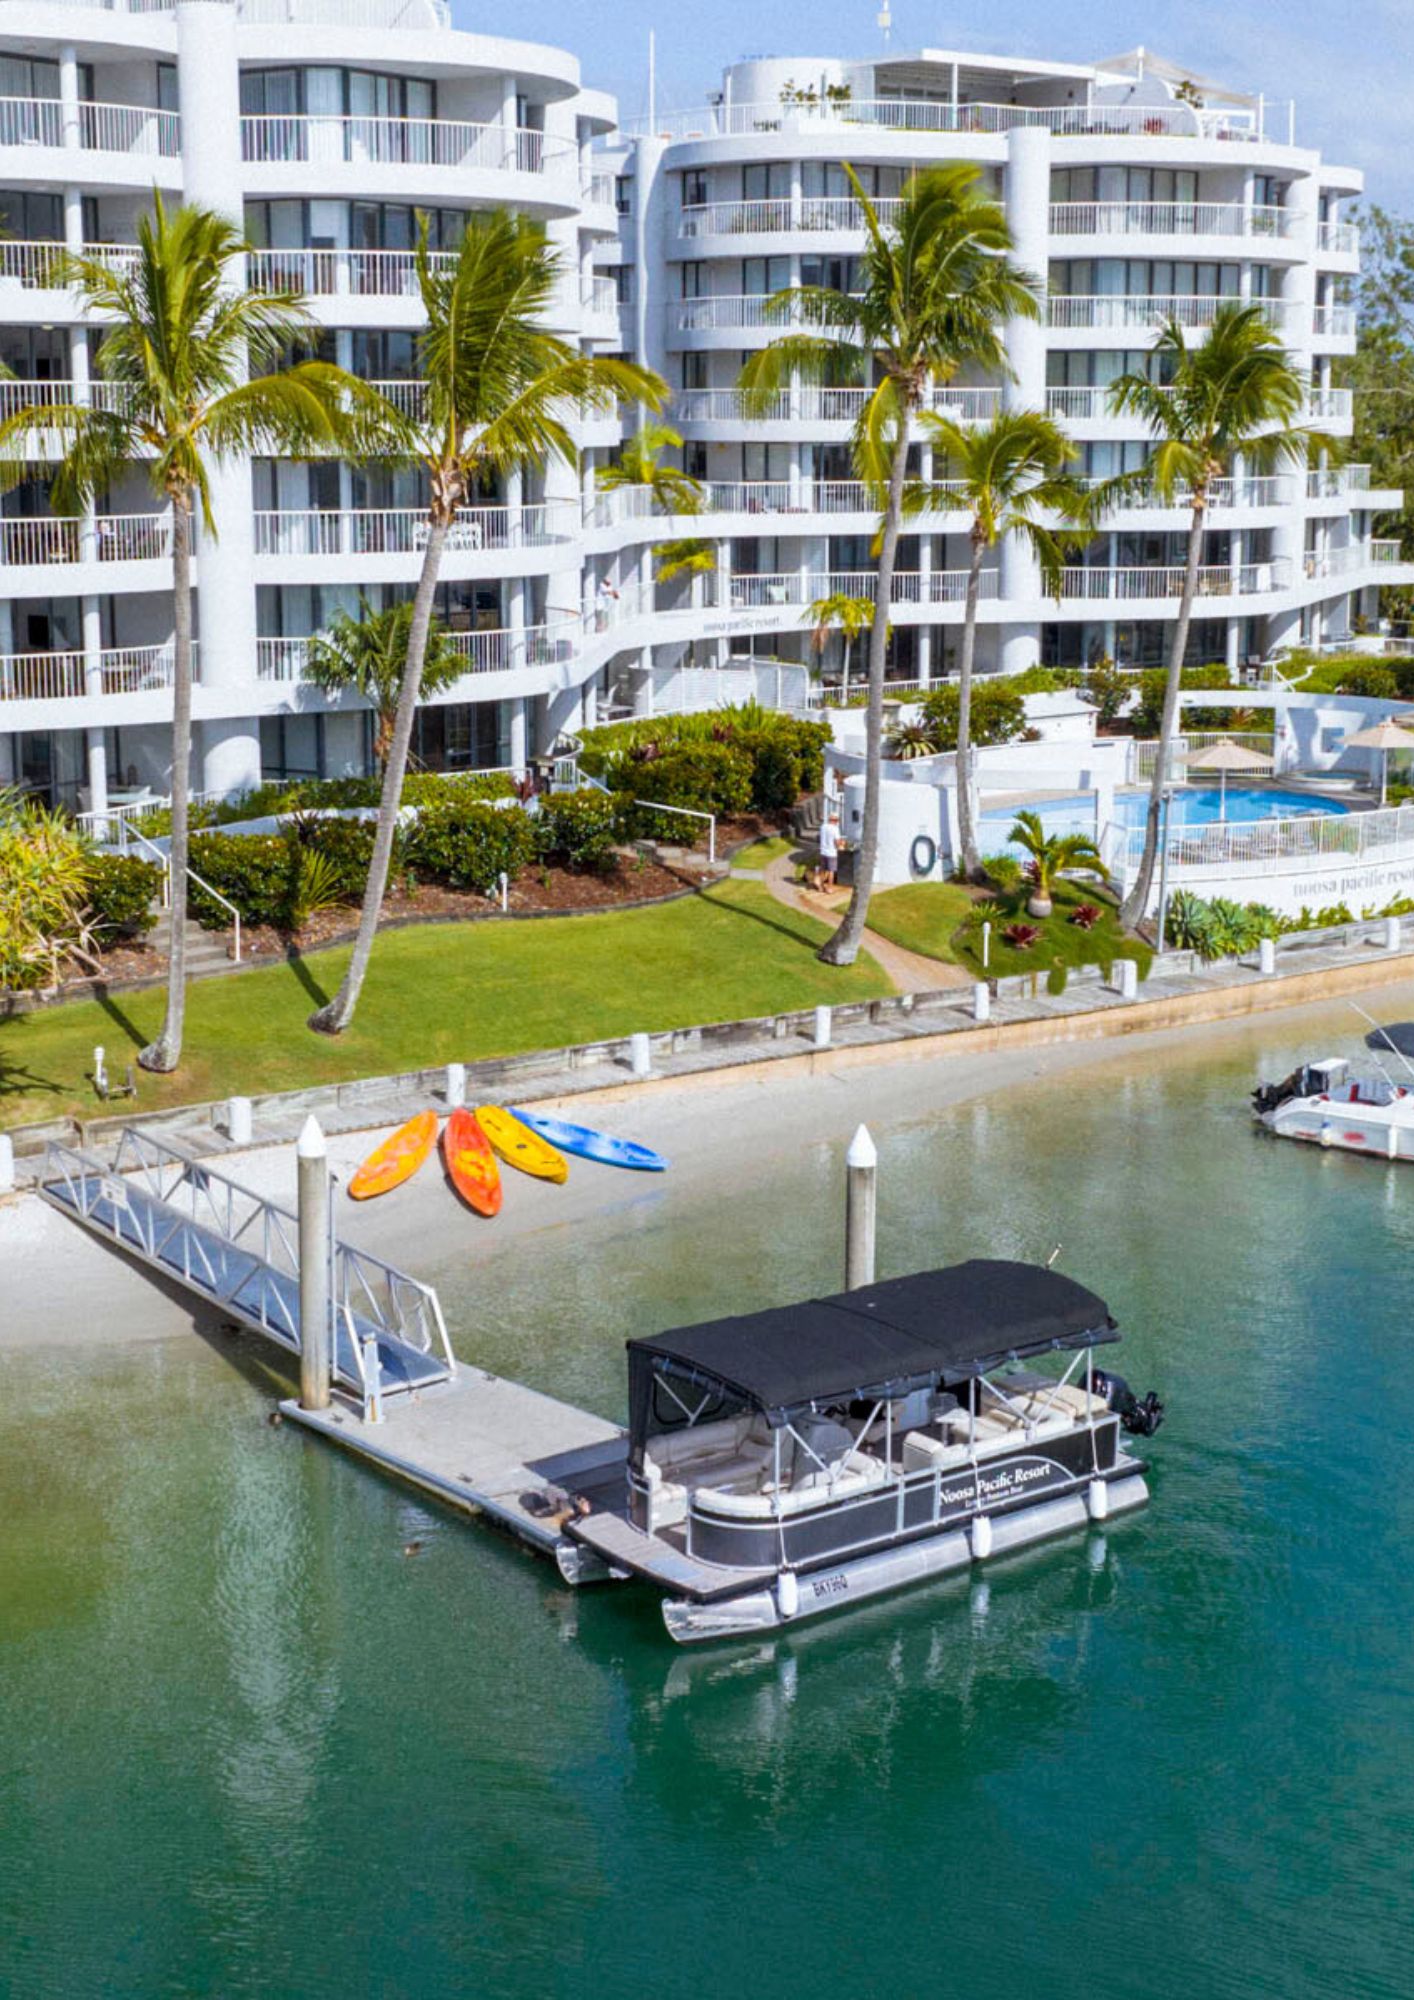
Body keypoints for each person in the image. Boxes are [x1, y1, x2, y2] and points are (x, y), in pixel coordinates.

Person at [815, 809, 840, 892]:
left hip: (823, 851)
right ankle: (829, 888)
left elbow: (820, 838)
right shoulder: (835, 829)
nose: (837, 822)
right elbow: (836, 842)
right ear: (835, 820)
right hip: (831, 852)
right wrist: (840, 846)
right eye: (837, 820)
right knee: (831, 871)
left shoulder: (823, 826)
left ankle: (820, 887)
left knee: (823, 870)